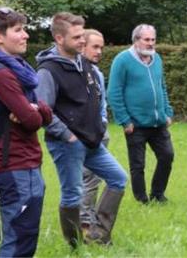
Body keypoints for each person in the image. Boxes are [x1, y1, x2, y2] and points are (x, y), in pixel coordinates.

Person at [36, 12, 128, 247]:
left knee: (118, 178)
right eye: (76, 37)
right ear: (59, 38)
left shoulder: (83, 63)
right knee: (72, 195)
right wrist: (68, 135)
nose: (82, 41)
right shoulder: (48, 70)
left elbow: (94, 98)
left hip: (92, 141)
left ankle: (99, 235)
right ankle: (76, 246)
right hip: (67, 144)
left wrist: (99, 126)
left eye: (82, 36)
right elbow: (43, 110)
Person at [0, 6, 52, 257]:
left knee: (23, 236)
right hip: (14, 163)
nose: (26, 35)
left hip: (21, 163)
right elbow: (32, 120)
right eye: (18, 30)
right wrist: (35, 111)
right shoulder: (1, 75)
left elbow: (41, 112)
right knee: (19, 240)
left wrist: (36, 108)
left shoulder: (18, 71)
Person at [108, 24, 174, 204]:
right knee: (138, 165)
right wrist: (124, 120)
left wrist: (167, 111)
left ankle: (158, 194)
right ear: (136, 40)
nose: (151, 43)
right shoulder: (122, 60)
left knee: (167, 156)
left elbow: (162, 87)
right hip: (135, 124)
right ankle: (141, 199)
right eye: (146, 40)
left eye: (153, 40)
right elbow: (114, 92)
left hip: (158, 122)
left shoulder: (157, 59)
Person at [79, 29, 109, 236]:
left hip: (99, 131)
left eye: (101, 47)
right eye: (95, 47)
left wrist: (104, 123)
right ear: (82, 46)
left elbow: (102, 102)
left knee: (95, 177)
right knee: (86, 178)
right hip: (82, 134)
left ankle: (88, 217)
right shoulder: (76, 73)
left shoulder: (97, 72)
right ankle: (84, 221)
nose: (99, 51)